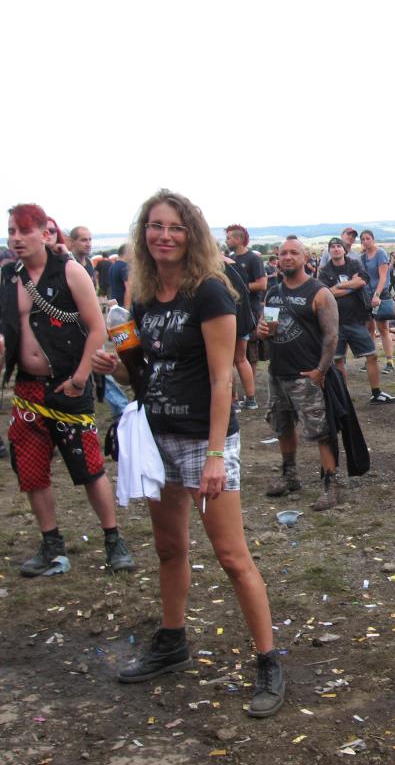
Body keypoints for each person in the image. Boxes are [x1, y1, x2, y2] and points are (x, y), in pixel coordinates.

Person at [95, 190, 283, 715]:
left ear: (191, 234)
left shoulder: (210, 293)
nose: (164, 236)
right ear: (144, 234)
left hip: (205, 438)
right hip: (158, 437)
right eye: (155, 226)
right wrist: (116, 366)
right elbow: (144, 373)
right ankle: (172, 640)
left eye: (175, 227)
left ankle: (268, 660)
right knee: (169, 548)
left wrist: (217, 455)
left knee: (231, 555)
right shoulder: (143, 298)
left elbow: (223, 380)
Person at [3, 204, 135, 577]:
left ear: (45, 233)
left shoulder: (69, 271)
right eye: (11, 231)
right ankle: (51, 543)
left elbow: (97, 328)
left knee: (89, 467)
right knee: (30, 470)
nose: (16, 238)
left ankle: (113, 539)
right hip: (27, 389)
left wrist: (79, 379)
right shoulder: (8, 277)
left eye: (23, 231)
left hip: (68, 385)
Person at [257, 236, 343, 511]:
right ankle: (290, 476)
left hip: (306, 375)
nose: (287, 257)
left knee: (321, 431)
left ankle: (330, 485)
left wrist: (320, 370)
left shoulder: (319, 293)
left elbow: (331, 336)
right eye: (283, 253)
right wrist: (262, 331)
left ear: (305, 258)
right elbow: (268, 329)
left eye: (294, 252)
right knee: (282, 426)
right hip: (278, 372)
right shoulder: (273, 292)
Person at [318, 237, 395, 403]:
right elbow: (326, 292)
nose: (336, 249)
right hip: (335, 323)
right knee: (338, 359)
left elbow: (361, 281)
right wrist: (350, 286)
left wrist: (339, 286)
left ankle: (376, 393)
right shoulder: (324, 271)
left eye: (338, 246)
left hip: (356, 320)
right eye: (332, 247)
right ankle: (343, 396)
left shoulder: (354, 264)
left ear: (344, 250)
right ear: (329, 251)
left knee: (372, 355)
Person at [224, 224, 266, 410]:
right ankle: (247, 398)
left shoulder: (253, 259)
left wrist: (235, 288)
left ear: (239, 239)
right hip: (236, 311)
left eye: (229, 237)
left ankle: (241, 399)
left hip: (247, 312)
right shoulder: (232, 259)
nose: (227, 241)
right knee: (239, 358)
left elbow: (262, 284)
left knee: (242, 357)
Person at [359, 230, 395, 374]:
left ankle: (389, 361)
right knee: (369, 328)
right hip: (367, 294)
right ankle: (371, 359)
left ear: (373, 239)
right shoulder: (362, 257)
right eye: (363, 239)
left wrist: (377, 295)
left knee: (383, 328)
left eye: (368, 238)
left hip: (380, 293)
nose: (365, 241)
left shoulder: (380, 253)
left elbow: (383, 276)